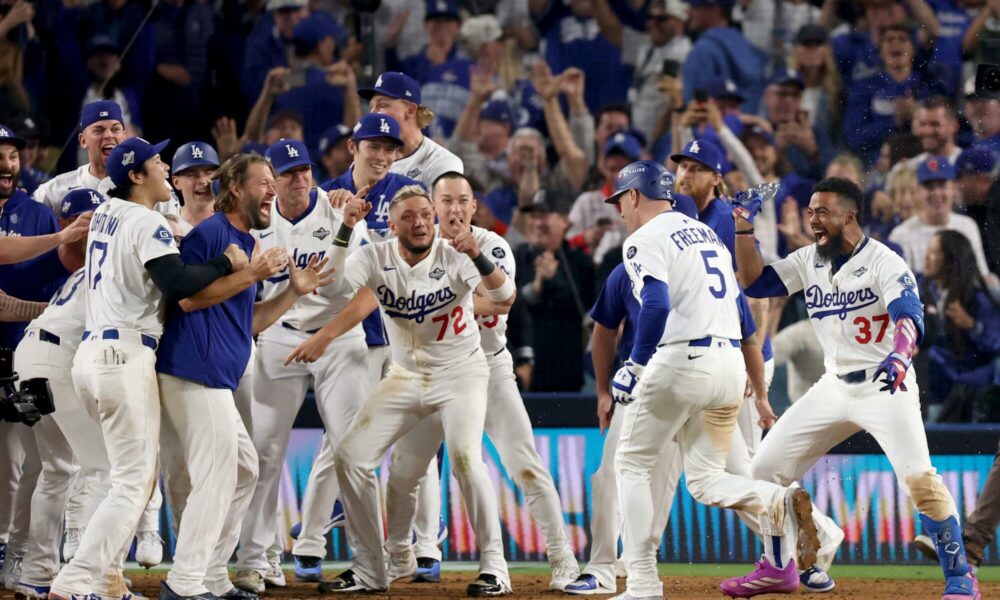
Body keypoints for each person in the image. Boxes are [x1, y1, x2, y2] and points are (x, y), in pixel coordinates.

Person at [731, 177, 980, 599]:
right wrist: (742, 225)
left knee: (920, 479)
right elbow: (754, 283)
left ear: (850, 215)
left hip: (886, 383)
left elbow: (909, 315)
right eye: (811, 212)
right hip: (833, 385)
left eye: (822, 212)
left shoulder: (885, 261)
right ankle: (781, 566)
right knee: (762, 473)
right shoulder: (810, 259)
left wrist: (901, 354)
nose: (813, 220)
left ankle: (960, 576)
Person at [604, 160, 821, 600]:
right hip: (728, 368)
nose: (619, 213)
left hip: (681, 361)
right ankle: (775, 498)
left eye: (619, 203)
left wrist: (635, 364)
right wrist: (757, 389)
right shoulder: (708, 236)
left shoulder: (643, 239)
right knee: (705, 480)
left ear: (633, 197)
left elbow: (656, 305)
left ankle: (643, 581)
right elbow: (746, 325)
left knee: (631, 464)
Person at [285, 184, 515, 595]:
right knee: (358, 459)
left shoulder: (456, 254)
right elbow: (334, 288)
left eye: (426, 213)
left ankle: (495, 568)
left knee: (464, 458)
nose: (421, 221)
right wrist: (345, 227)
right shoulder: (376, 255)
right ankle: (378, 565)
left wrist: (476, 254)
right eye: (409, 215)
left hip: (461, 374)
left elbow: (504, 295)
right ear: (391, 225)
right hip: (406, 376)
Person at [47, 136, 246, 600]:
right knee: (132, 485)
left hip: (92, 356)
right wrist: (224, 262)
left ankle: (108, 583)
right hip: (124, 356)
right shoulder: (144, 219)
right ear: (136, 177)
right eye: (156, 162)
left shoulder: (107, 215)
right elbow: (178, 285)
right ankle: (75, 581)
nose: (163, 168)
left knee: (120, 478)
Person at [366, 172, 580, 591]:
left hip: (488, 367)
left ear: (474, 206)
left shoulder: (493, 246)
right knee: (404, 470)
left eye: (463, 200)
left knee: (525, 467)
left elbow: (498, 302)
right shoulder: (412, 249)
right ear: (433, 206)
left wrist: (424, 300)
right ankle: (399, 556)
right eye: (445, 201)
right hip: (430, 372)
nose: (455, 209)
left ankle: (563, 559)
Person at [156, 152, 332, 600]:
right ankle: (185, 581)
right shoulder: (211, 233)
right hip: (191, 371)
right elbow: (189, 300)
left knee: (244, 470)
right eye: (264, 183)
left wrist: (292, 292)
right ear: (236, 189)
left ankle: (213, 575)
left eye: (274, 183)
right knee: (218, 474)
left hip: (217, 375)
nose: (272, 190)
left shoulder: (246, 242)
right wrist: (250, 272)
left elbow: (248, 321)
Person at [231, 139, 376, 593]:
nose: (299, 178)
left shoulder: (340, 212)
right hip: (277, 333)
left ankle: (370, 562)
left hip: (338, 336)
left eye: (305, 169)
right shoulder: (259, 220)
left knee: (353, 450)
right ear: (271, 179)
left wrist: (326, 336)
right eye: (289, 172)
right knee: (264, 451)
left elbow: (368, 288)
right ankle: (257, 559)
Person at [11, 191, 110, 600]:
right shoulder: (111, 266)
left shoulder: (79, 272)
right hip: (55, 361)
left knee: (57, 470)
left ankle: (36, 573)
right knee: (104, 467)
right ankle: (82, 573)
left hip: (30, 355)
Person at [0, 126, 91, 265]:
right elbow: (2, 251)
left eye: (13, 156)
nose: (8, 164)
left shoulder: (38, 214)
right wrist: (61, 237)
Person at [359, 71, 464, 189]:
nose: (373, 113)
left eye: (382, 105)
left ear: (410, 111)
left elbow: (440, 207)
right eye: (371, 106)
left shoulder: (442, 162)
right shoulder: (368, 159)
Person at [321, 114, 421, 236]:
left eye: (389, 149)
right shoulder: (325, 195)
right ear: (352, 147)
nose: (381, 157)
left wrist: (353, 223)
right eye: (374, 147)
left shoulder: (412, 192)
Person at [888, 156, 988, 276]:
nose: (936, 193)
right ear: (918, 191)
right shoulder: (901, 235)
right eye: (929, 187)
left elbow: (982, 275)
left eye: (942, 185)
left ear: (953, 188)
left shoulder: (967, 225)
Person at [32, 101, 126, 214]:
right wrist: (62, 231)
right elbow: (22, 219)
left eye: (115, 129)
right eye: (99, 130)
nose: (109, 135)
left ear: (124, 137)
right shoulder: (56, 189)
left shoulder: (143, 185)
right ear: (83, 140)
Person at [171, 141, 221, 234]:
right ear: (176, 182)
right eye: (191, 174)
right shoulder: (167, 226)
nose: (202, 180)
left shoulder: (237, 221)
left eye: (209, 172)